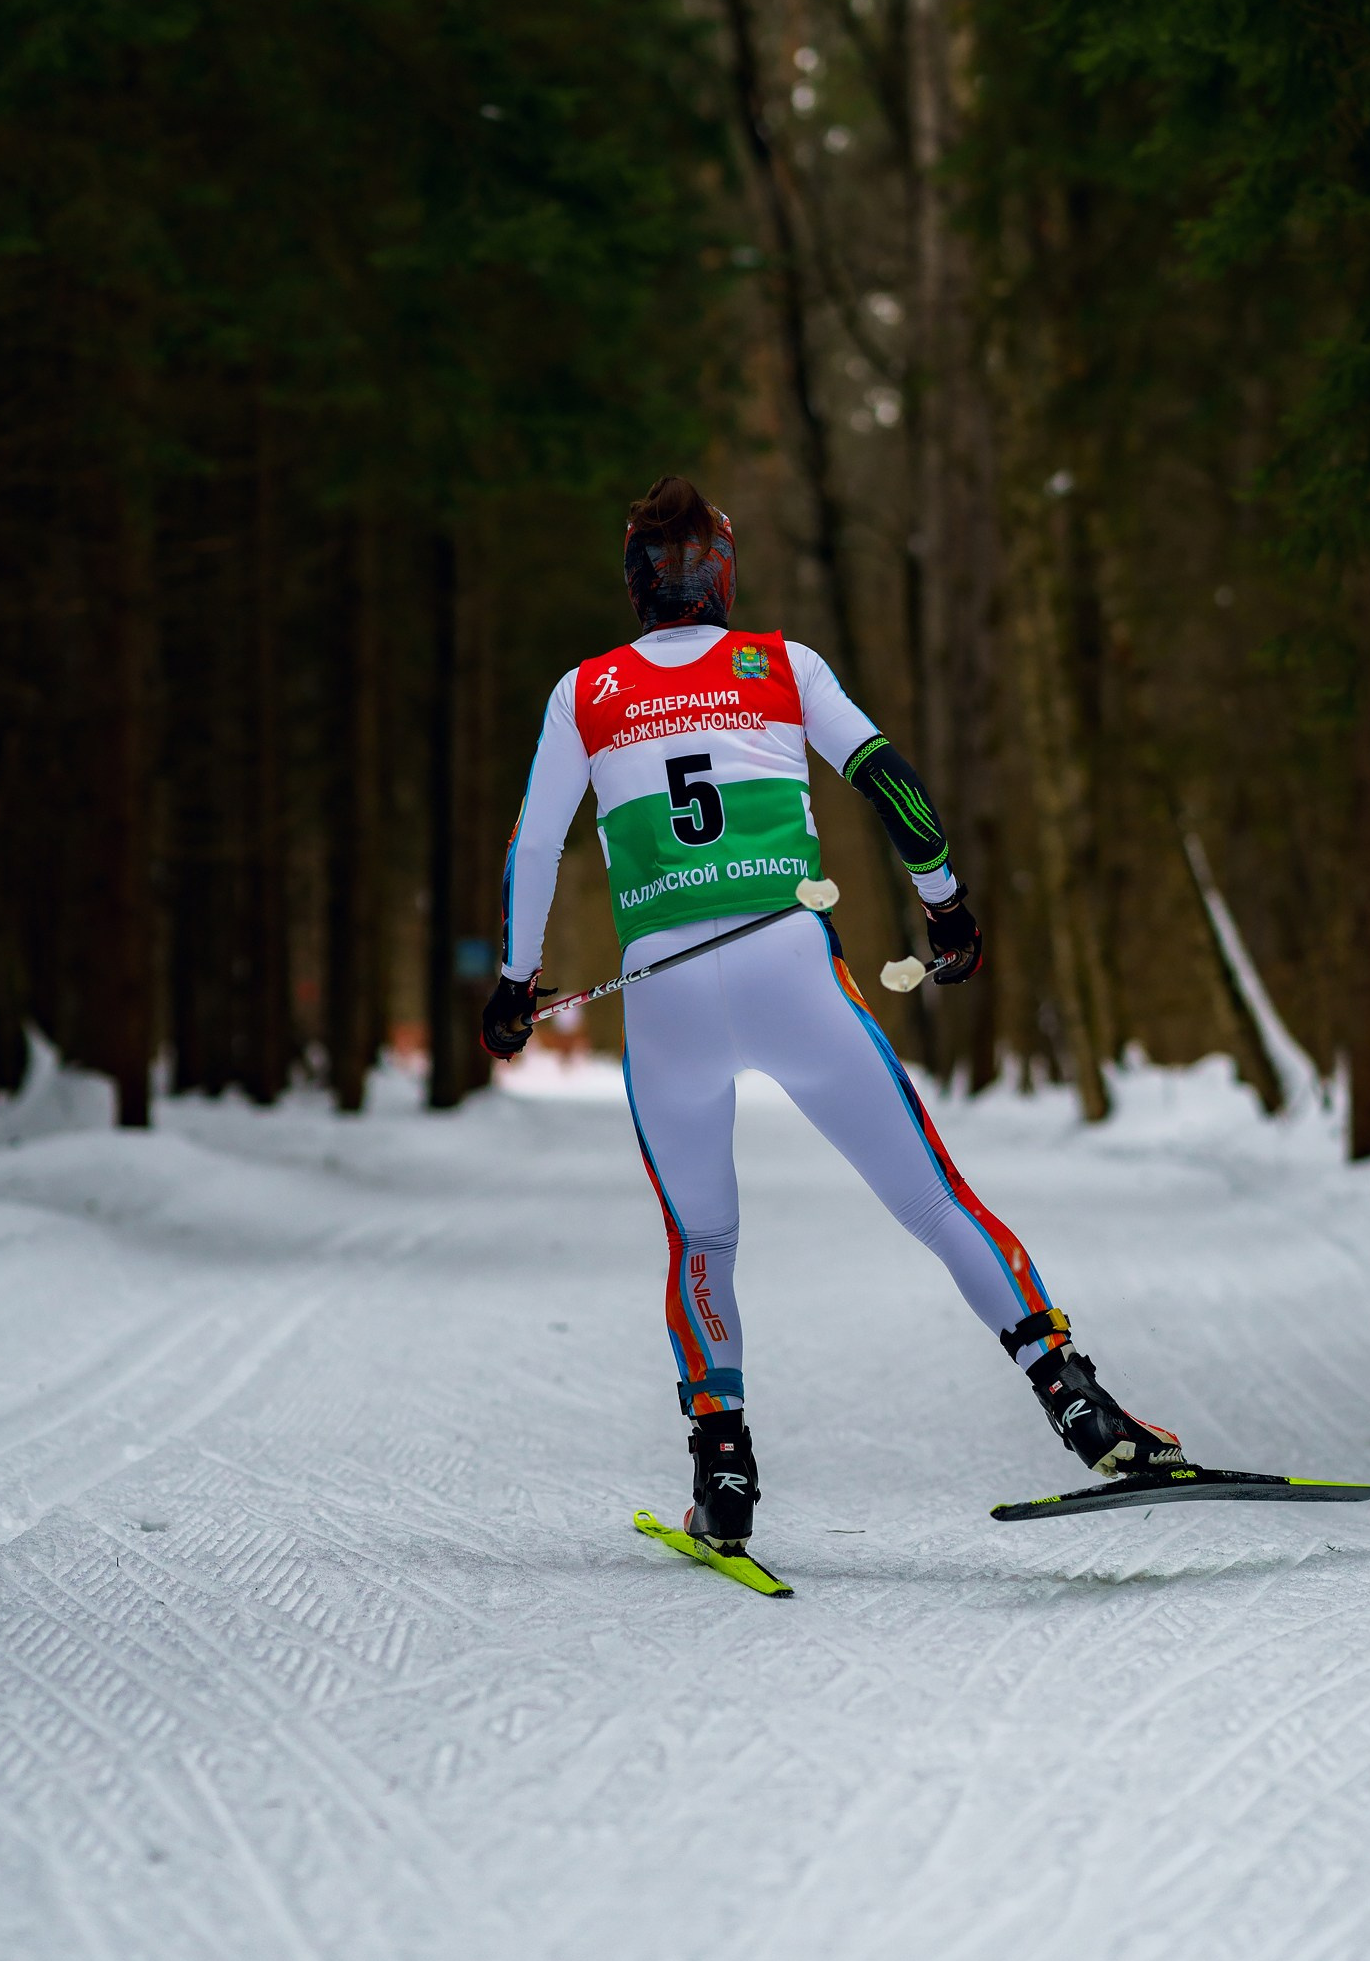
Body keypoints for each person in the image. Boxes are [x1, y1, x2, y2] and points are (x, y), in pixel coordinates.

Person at [480, 475, 1181, 1553]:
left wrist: (514, 987)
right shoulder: (779, 664)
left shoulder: (584, 691)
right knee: (937, 1203)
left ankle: (722, 1471)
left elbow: (534, 843)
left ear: (633, 585)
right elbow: (888, 781)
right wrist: (946, 907)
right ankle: (1077, 1404)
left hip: (663, 984)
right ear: (721, 573)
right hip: (787, 961)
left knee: (700, 1237)